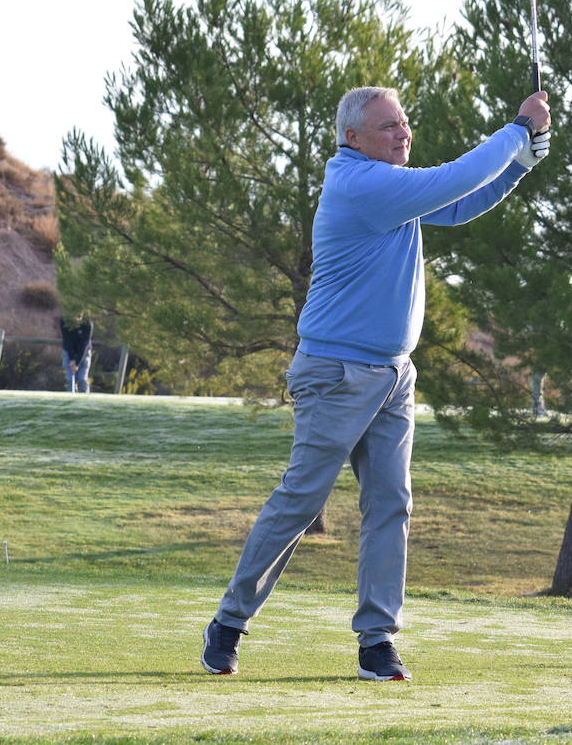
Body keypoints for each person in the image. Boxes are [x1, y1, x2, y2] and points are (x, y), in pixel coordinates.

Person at [201, 85, 552, 681]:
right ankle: (229, 623)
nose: (402, 134)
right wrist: (518, 131)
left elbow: (462, 203)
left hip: (393, 373)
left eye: (404, 123)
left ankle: (376, 642)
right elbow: (451, 180)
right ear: (353, 138)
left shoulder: (391, 190)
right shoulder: (360, 184)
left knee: (390, 503)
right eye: (388, 126)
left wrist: (521, 165)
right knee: (301, 500)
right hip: (337, 372)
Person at [58, 314, 93, 393]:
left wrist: (77, 362)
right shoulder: (64, 321)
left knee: (82, 379)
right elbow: (67, 340)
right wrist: (72, 359)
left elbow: (84, 344)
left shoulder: (87, 323)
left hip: (84, 352)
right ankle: (70, 400)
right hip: (68, 351)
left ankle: (85, 402)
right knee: (70, 379)